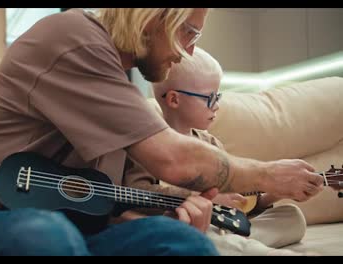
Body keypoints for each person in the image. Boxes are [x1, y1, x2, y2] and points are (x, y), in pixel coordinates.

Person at [0, 8, 323, 256]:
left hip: (77, 233)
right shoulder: (73, 37)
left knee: (177, 244)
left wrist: (178, 217)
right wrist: (269, 176)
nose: (190, 50)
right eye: (190, 32)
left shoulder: (120, 95)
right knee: (45, 235)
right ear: (153, 16)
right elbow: (175, 161)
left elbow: (112, 203)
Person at [121, 47, 310, 255]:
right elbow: (136, 191)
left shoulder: (210, 143)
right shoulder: (150, 143)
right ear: (174, 100)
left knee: (291, 217)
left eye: (218, 96)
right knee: (206, 235)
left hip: (224, 223)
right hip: (187, 224)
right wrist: (199, 198)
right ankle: (240, 247)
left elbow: (238, 205)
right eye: (209, 98)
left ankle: (234, 245)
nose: (217, 105)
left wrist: (271, 195)